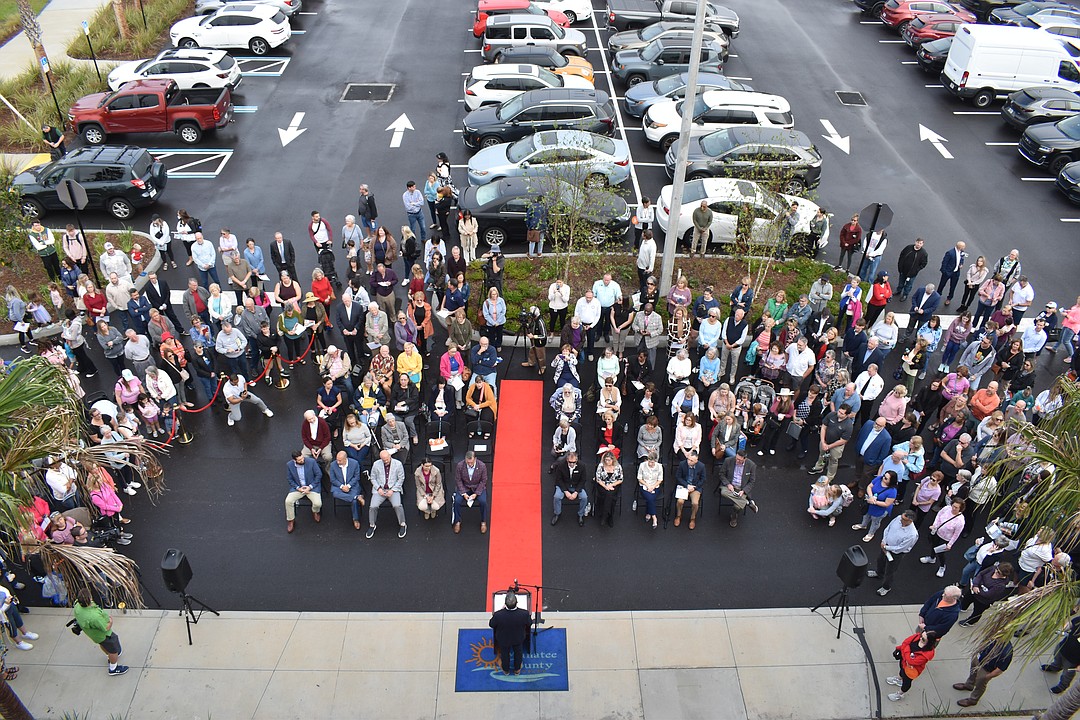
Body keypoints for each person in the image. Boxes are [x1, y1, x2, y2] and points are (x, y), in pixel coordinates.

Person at [73, 589, 128, 675]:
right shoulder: (94, 616)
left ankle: (109, 655)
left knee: (103, 644)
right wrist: (110, 621)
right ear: (89, 599)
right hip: (104, 635)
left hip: (96, 636)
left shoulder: (77, 606)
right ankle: (113, 668)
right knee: (113, 650)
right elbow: (106, 627)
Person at [866, 510, 919, 596]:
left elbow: (901, 548)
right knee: (880, 560)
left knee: (890, 570)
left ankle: (886, 587)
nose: (900, 519)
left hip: (896, 553)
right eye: (901, 517)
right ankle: (879, 573)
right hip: (886, 545)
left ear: (910, 521)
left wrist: (886, 547)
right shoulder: (898, 518)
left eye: (903, 519)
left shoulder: (912, 534)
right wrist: (884, 541)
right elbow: (888, 528)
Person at [887, 630, 940, 702]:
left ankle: (900, 694)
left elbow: (911, 661)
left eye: (923, 639)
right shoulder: (917, 637)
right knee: (902, 670)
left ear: (929, 642)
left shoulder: (926, 654)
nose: (920, 638)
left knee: (907, 681)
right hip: (904, 662)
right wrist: (901, 649)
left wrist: (906, 648)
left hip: (912, 670)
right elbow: (905, 642)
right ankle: (899, 679)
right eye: (921, 635)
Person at [488, 590, 532, 675]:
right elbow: (529, 623)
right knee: (518, 653)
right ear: (517, 603)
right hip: (518, 638)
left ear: (505, 603)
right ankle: (517, 669)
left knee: (505, 654)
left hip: (503, 638)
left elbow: (491, 624)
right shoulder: (524, 614)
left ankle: (506, 670)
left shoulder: (498, 615)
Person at [920, 498, 967, 577]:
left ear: (960, 509)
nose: (953, 508)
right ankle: (932, 558)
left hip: (945, 539)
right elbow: (939, 515)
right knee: (933, 546)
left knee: (940, 553)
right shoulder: (946, 508)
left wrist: (950, 544)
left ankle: (942, 566)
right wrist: (935, 525)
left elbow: (956, 534)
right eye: (953, 506)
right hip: (937, 532)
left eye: (956, 507)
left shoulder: (960, 521)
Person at [808, 404, 854, 481]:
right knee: (822, 455)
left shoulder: (848, 425)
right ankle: (819, 467)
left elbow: (843, 440)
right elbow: (823, 427)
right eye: (839, 411)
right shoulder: (832, 415)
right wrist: (823, 442)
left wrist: (829, 446)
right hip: (825, 441)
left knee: (833, 461)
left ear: (847, 415)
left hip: (836, 446)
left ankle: (829, 477)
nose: (839, 414)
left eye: (842, 413)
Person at [284, 449, 322, 533]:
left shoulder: (311, 462)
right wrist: (298, 488)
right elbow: (290, 479)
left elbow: (318, 475)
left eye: (302, 458)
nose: (302, 460)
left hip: (311, 487)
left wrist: (310, 487)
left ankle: (315, 511)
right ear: (294, 460)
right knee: (288, 501)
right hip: (298, 488)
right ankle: (291, 520)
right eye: (300, 460)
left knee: (318, 503)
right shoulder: (289, 465)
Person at [1041, 614, 1080, 694]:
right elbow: (1071, 623)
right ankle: (1055, 667)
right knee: (1057, 657)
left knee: (1067, 674)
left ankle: (1062, 686)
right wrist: (1063, 629)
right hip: (1064, 646)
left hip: (1074, 659)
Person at [719, 449, 758, 528]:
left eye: (740, 460)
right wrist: (728, 484)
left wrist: (743, 491)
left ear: (745, 459)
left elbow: (752, 482)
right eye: (736, 458)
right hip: (729, 486)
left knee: (737, 506)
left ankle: (734, 517)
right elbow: (721, 474)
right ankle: (747, 502)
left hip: (741, 488)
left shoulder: (751, 465)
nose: (737, 461)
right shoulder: (728, 461)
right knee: (723, 492)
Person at [453, 451, 488, 534]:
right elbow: (458, 480)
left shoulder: (482, 466)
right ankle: (457, 521)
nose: (470, 464)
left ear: (475, 459)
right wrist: (464, 493)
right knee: (457, 501)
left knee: (483, 502)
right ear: (465, 459)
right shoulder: (460, 466)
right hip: (465, 487)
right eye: (468, 462)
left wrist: (476, 493)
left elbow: (483, 481)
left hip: (477, 487)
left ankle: (483, 521)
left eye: (471, 462)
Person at [938, 241, 968, 306]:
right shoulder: (950, 253)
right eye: (963, 246)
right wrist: (944, 272)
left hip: (956, 273)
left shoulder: (962, 252)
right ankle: (938, 295)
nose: (964, 247)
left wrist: (961, 264)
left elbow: (962, 259)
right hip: (948, 272)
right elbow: (944, 262)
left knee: (953, 286)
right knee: (942, 284)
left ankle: (949, 298)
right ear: (959, 247)